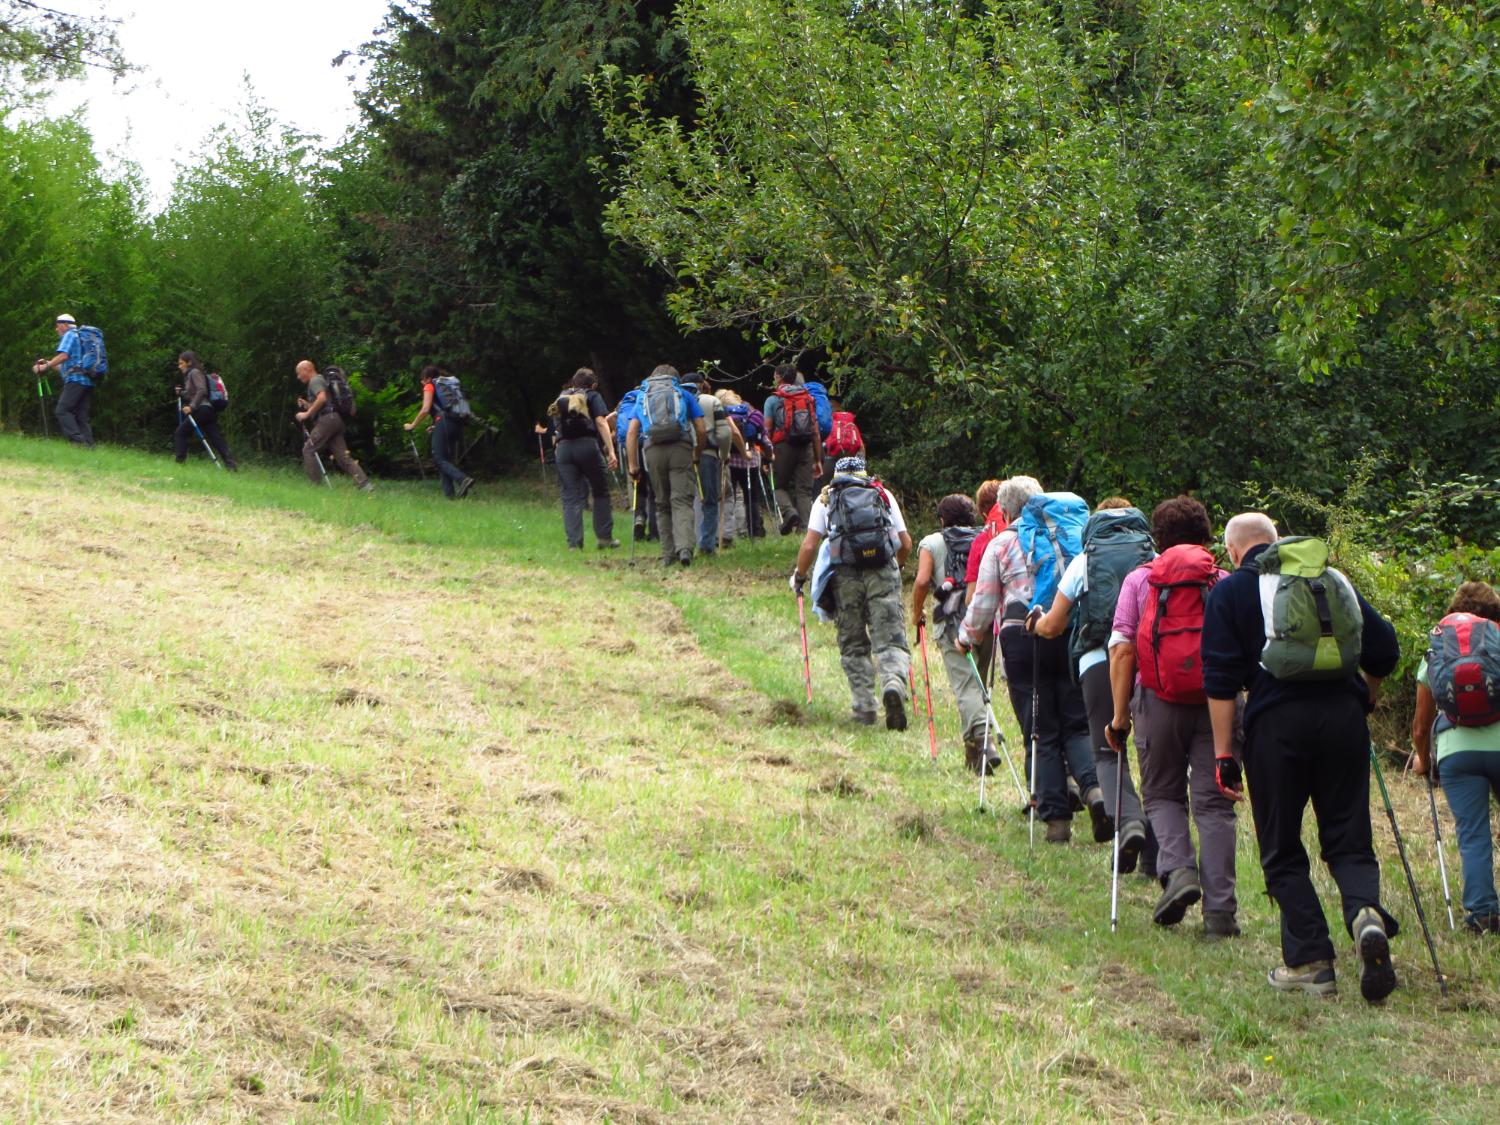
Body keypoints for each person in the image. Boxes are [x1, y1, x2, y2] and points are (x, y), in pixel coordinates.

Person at [1203, 512, 1401, 1001]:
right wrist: (1367, 697)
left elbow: (1222, 681)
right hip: (1343, 719)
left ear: (1233, 551)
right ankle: (1364, 914)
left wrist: (1225, 754)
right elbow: (1385, 648)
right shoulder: (1330, 581)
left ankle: (1311, 959)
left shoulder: (1230, 592)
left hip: (1276, 727)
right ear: (1276, 543)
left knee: (1281, 845)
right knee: (1349, 838)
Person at [1106, 497, 1236, 933]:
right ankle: (1220, 913)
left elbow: (1123, 649)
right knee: (1214, 806)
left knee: (1161, 795)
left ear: (1157, 539)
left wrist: (1120, 715)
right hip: (1217, 704)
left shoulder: (1142, 580)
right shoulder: (1222, 582)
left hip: (1157, 700)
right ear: (1206, 537)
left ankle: (1178, 871)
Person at [958, 476, 1102, 842]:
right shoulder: (1071, 534)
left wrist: (966, 638)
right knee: (1077, 723)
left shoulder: (1002, 542)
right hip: (1069, 630)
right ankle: (1094, 790)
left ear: (1005, 511)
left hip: (1024, 639)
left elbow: (985, 604)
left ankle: (1056, 821)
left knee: (1040, 730)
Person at [1029, 497, 1151, 871]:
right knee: (1155, 763)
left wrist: (1035, 622)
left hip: (1098, 662)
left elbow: (1054, 625)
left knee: (1107, 751)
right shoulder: (1152, 558)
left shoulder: (1086, 560)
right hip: (1149, 666)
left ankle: (1129, 820)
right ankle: (1159, 861)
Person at [790, 456, 912, 728]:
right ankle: (892, 684)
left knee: (853, 642)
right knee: (890, 637)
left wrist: (799, 576)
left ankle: (864, 706)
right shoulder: (882, 494)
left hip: (845, 576)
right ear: (864, 473)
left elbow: (810, 545)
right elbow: (905, 542)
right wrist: (896, 568)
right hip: (882, 570)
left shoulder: (826, 498)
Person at [1412, 580, 1500, 935]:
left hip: (1457, 753)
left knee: (1473, 833)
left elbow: (1420, 725)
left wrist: (1423, 760)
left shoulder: (1439, 648)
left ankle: (1483, 913)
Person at [912, 494, 997, 772]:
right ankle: (974, 757)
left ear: (941, 520)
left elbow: (923, 580)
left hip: (951, 623)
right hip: (985, 618)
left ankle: (986, 739)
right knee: (978, 684)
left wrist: (917, 613)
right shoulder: (987, 539)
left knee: (966, 687)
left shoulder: (932, 542)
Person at [625, 364, 707, 567]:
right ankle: (685, 549)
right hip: (680, 448)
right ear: (675, 379)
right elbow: (701, 428)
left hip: (653, 450)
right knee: (682, 500)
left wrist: (633, 465)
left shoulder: (644, 396)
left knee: (662, 502)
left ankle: (667, 554)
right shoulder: (683, 394)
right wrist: (697, 453)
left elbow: (631, 432)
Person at [548, 369, 619, 549]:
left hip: (564, 449)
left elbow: (555, 427)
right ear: (593, 384)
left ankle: (574, 544)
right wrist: (611, 451)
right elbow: (601, 422)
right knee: (600, 490)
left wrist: (557, 448)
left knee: (570, 497)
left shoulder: (562, 397)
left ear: (574, 382)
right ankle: (604, 538)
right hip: (587, 447)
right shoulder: (592, 395)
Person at [681, 372, 745, 555]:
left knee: (683, 501)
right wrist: (724, 456)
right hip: (707, 455)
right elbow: (725, 434)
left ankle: (684, 545)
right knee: (709, 500)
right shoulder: (711, 401)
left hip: (680, 455)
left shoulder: (675, 400)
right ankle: (706, 545)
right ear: (701, 384)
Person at [294, 360, 372, 491]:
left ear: (307, 369)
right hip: (336, 420)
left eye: (299, 373)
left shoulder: (315, 381)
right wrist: (307, 405)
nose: (298, 376)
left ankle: (315, 486)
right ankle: (364, 484)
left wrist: (306, 414)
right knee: (343, 457)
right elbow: (322, 403)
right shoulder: (321, 381)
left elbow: (322, 398)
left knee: (308, 449)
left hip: (327, 420)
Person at [763, 364, 823, 535]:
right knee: (804, 490)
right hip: (806, 447)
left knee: (778, 485)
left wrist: (767, 456)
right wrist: (818, 459)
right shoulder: (807, 398)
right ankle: (804, 530)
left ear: (779, 377)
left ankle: (789, 512)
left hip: (783, 447)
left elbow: (767, 430)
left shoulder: (773, 400)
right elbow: (816, 432)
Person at [404, 366, 474, 499]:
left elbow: (425, 409)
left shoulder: (430, 385)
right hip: (457, 424)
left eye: (423, 379)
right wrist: (434, 425)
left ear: (428, 378)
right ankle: (451, 496)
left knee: (439, 459)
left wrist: (412, 425)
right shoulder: (448, 386)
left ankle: (462, 479)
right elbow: (444, 408)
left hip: (444, 423)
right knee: (445, 459)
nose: (422, 382)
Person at [32, 313, 96, 447]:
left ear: (65, 325)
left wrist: (45, 367)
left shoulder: (69, 334)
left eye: (57, 326)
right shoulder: (81, 337)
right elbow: (67, 367)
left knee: (62, 410)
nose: (56, 329)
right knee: (81, 416)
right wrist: (49, 363)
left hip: (75, 380)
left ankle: (79, 443)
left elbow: (64, 355)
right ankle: (89, 447)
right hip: (87, 381)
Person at [173, 351, 237, 470]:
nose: (179, 366)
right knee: (215, 437)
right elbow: (192, 393)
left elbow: (202, 390)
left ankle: (179, 464)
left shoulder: (195, 372)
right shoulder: (191, 375)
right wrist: (181, 393)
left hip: (202, 410)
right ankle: (231, 466)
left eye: (181, 363)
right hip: (208, 410)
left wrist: (191, 406)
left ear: (189, 362)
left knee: (180, 432)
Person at [722, 389, 772, 540]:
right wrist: (769, 456)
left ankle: (728, 533)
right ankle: (755, 532)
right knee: (752, 498)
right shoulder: (751, 413)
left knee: (730, 498)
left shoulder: (725, 413)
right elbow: (763, 438)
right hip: (751, 462)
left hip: (731, 460)